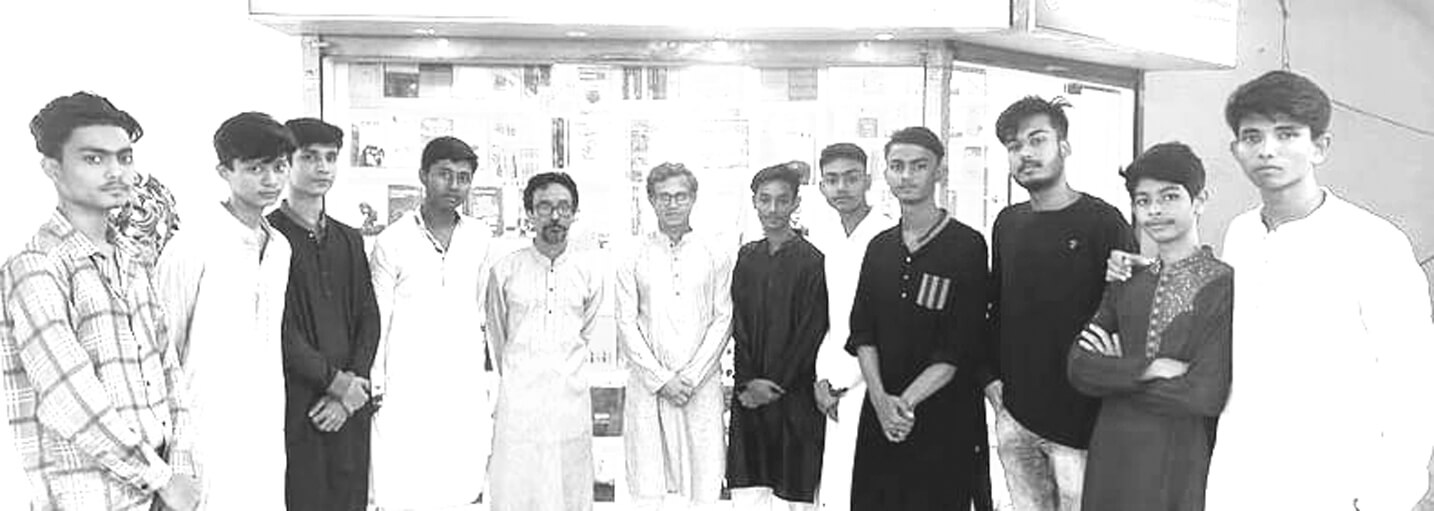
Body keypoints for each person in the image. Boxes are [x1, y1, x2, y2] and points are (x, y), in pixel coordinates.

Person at [1106, 70, 1434, 510]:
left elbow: (1412, 377)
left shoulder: (1373, 243)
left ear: (1319, 146)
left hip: (1335, 482)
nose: (1267, 149)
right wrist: (1153, 271)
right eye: (1252, 136)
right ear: (1236, 150)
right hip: (1241, 475)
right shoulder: (1242, 232)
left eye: (1287, 134)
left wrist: (1388, 496)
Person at [2, 92, 199, 510]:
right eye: (94, 159)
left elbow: (169, 373)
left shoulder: (132, 260)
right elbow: (69, 400)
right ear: (52, 168)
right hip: (89, 498)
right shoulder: (37, 266)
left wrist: (179, 467)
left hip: (159, 494)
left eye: (124, 158)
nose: (116, 172)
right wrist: (162, 478)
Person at [985, 96, 1135, 511]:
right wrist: (989, 379)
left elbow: (1127, 311)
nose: (1025, 154)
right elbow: (996, 306)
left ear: (1064, 147)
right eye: (1014, 146)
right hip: (1015, 415)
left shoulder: (1103, 221)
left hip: (1080, 420)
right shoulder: (1008, 223)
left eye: (1037, 140)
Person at [1067, 142, 1232, 511]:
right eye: (1143, 201)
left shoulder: (1222, 284)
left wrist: (1115, 377)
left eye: (1169, 197)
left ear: (1200, 201)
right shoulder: (1127, 281)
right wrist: (1150, 368)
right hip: (1112, 453)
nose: (1154, 210)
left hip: (1178, 455)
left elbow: (1205, 393)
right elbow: (1078, 366)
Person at [844, 126, 992, 510]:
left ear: (940, 172)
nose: (906, 175)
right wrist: (880, 400)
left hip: (942, 414)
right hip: (881, 411)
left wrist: (904, 405)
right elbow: (863, 333)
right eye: (897, 166)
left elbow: (960, 344)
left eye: (918, 166)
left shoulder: (967, 245)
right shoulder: (880, 247)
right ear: (886, 174)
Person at [156, 111, 294, 509]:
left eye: (279, 167)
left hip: (264, 423)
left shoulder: (281, 248)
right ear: (224, 171)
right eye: (255, 168)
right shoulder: (193, 243)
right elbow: (161, 349)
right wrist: (167, 455)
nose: (270, 180)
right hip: (204, 427)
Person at [368, 136, 499, 509]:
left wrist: (486, 378)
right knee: (402, 479)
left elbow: (480, 309)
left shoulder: (479, 236)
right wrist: (377, 380)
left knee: (459, 476)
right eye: (444, 174)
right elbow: (379, 316)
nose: (454, 185)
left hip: (461, 379)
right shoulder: (392, 240)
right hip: (405, 380)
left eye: (463, 177)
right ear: (423, 175)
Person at [267, 118, 381, 511]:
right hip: (300, 404)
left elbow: (368, 316)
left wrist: (351, 390)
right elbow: (279, 329)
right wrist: (334, 382)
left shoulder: (349, 238)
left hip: (350, 406)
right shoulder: (270, 237)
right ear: (286, 163)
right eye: (310, 157)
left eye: (331, 158)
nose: (323, 167)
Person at [617, 163, 733, 510]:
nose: (672, 204)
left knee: (704, 480)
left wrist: (691, 377)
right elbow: (625, 322)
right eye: (663, 196)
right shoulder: (632, 253)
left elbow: (723, 318)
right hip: (649, 386)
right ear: (650, 200)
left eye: (680, 196)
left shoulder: (715, 252)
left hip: (699, 385)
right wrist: (661, 379)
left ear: (693, 198)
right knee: (647, 482)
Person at [485, 172, 604, 511]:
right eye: (544, 207)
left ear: (574, 213)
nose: (555, 216)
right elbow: (497, 337)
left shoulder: (589, 272)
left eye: (564, 207)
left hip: (570, 400)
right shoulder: (505, 270)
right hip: (518, 404)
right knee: (516, 488)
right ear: (529, 213)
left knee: (569, 489)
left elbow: (585, 331)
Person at [726, 162, 829, 511]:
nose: (773, 209)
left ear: (795, 203)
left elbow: (810, 332)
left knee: (792, 492)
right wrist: (748, 384)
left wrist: (773, 385)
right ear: (754, 202)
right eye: (765, 199)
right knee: (750, 491)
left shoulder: (812, 261)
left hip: (794, 398)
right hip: (749, 398)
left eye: (782, 200)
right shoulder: (747, 257)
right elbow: (739, 325)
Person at [805, 143, 893, 511]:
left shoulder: (888, 235)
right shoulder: (821, 238)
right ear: (821, 186)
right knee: (835, 487)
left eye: (851, 178)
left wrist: (848, 379)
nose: (841, 187)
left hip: (878, 378)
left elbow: (886, 322)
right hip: (832, 379)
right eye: (832, 179)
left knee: (870, 485)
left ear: (868, 181)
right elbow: (828, 319)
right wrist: (823, 378)